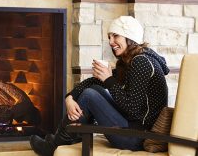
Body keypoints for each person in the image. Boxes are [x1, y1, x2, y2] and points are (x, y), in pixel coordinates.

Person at [30, 16, 170, 156]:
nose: (110, 42)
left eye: (115, 36)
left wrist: (108, 79)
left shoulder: (142, 62)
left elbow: (132, 109)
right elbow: (94, 82)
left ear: (130, 37)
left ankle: (54, 145)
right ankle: (65, 139)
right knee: (94, 90)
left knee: (90, 95)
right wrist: (70, 97)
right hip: (132, 128)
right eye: (109, 37)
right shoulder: (135, 59)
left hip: (137, 138)